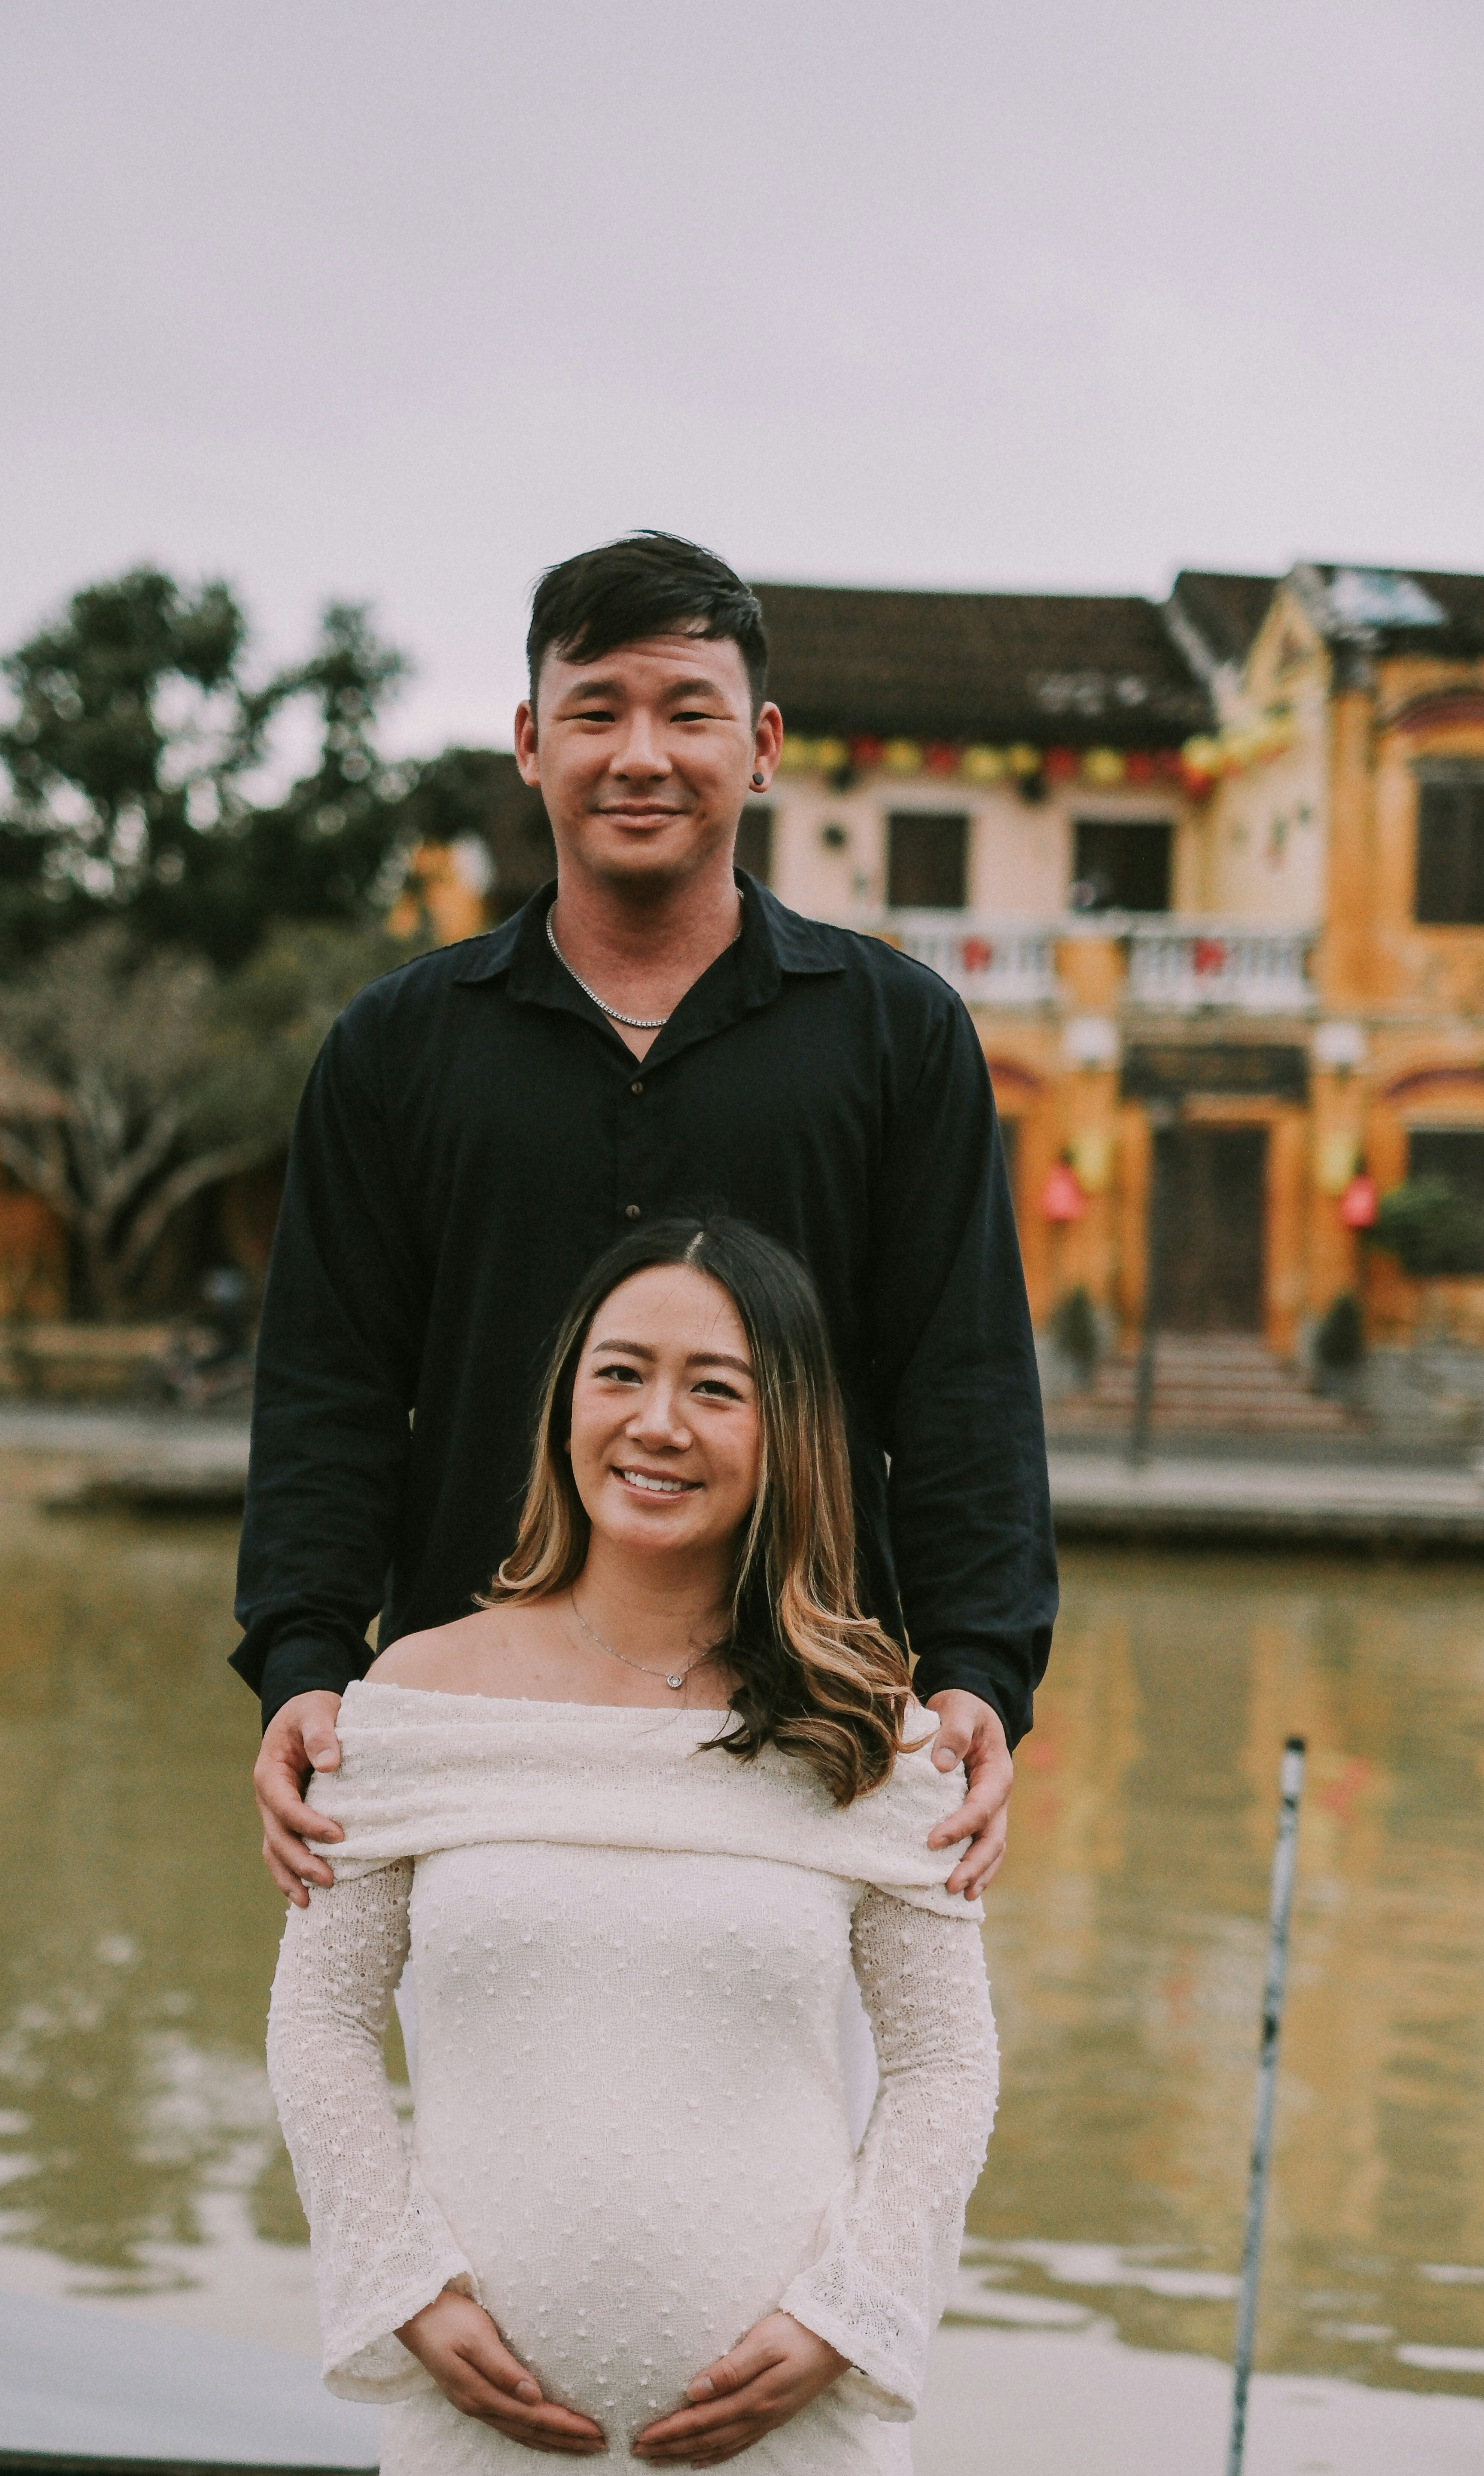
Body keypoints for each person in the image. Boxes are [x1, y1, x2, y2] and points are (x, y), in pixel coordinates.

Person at [267, 1217, 999, 2476]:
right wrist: (402, 2288)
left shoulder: (875, 1731)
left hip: (784, 2468)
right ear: (564, 1407)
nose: (656, 1422)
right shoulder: (417, 1697)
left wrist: (846, 2316)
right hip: (482, 2455)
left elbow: (947, 2066)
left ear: (786, 1431)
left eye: (713, 1388)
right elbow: (318, 2024)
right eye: (621, 1374)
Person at [235, 531, 1055, 1910]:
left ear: (763, 745)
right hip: (479, 1722)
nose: (640, 754)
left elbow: (962, 1378)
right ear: (529, 741)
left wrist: (980, 1669)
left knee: (813, 2116)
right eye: (597, 710)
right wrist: (305, 1660)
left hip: (816, 1718)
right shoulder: (398, 1049)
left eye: (689, 713)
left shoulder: (897, 1037)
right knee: (483, 2114)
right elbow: (332, 1386)